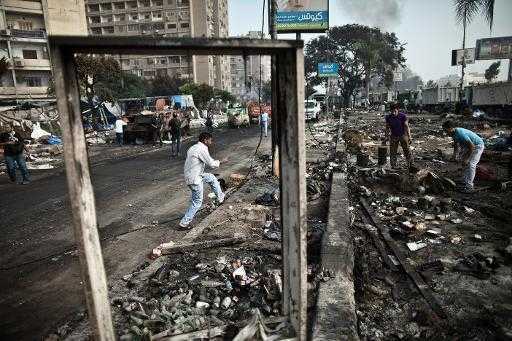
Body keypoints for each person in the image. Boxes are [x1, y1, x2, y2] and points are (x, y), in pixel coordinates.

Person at [179, 132, 225, 228]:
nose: (211, 142)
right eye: (210, 140)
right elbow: (211, 164)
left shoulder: (193, 147)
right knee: (197, 202)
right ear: (205, 140)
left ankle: (220, 198)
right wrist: (221, 161)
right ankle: (184, 223)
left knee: (211, 177)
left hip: (194, 175)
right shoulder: (201, 149)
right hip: (195, 179)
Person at [443, 120, 485, 193]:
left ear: (451, 128)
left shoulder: (460, 133)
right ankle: (464, 180)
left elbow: (472, 147)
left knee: (471, 164)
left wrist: (467, 158)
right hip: (468, 146)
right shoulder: (453, 133)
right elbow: (456, 145)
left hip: (477, 145)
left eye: (446, 130)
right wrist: (454, 156)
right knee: (464, 163)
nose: (445, 132)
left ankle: (469, 186)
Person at [385, 102, 413, 170]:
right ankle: (393, 166)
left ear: (397, 109)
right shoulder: (388, 117)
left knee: (407, 150)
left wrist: (409, 137)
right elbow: (387, 128)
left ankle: (410, 165)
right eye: (392, 111)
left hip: (403, 135)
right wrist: (386, 137)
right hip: (393, 136)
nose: (393, 113)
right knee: (393, 152)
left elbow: (406, 126)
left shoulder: (402, 116)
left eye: (395, 111)